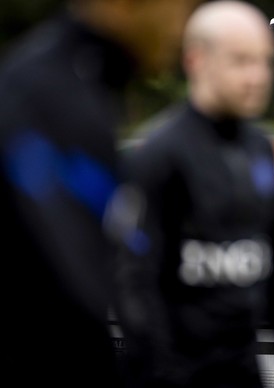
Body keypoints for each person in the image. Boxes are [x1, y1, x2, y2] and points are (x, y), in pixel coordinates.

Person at [109, 1, 274, 387]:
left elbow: (273, 265)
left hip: (243, 370)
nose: (257, 76)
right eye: (241, 61)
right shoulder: (160, 156)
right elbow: (135, 287)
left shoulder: (257, 147)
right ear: (196, 61)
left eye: (265, 62)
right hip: (176, 373)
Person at [0, 0, 201, 387]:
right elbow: (71, 304)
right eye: (182, 4)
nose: (186, 22)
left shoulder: (84, 81)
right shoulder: (48, 97)